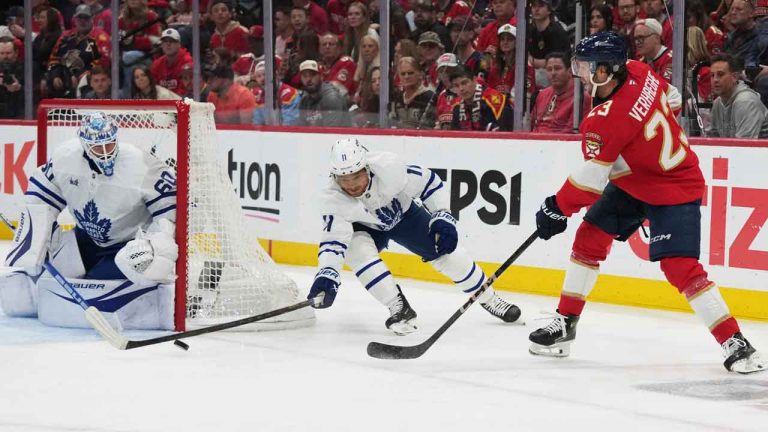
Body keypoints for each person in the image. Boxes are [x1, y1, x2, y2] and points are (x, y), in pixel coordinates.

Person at [528, 32, 765, 375]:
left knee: (679, 267)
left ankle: (736, 342)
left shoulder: (603, 120)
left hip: (675, 185)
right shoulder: (639, 70)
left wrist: (556, 207)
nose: (580, 73)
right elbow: (671, 99)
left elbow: (590, 182)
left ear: (608, 70)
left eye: (586, 67)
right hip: (638, 181)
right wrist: (640, 140)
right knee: (590, 237)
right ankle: (565, 323)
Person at [306, 138, 522, 334]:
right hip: (365, 227)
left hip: (405, 215)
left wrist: (442, 215)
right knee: (355, 249)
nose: (351, 185)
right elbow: (334, 241)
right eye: (344, 179)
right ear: (335, 177)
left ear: (367, 168)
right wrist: (327, 274)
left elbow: (430, 182)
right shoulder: (332, 199)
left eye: (356, 176)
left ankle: (489, 298)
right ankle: (398, 306)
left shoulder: (389, 168)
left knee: (447, 253)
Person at [0, 113, 178, 330]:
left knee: (114, 271)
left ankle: (158, 300)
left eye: (109, 144)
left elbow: (168, 213)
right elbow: (41, 197)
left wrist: (156, 245)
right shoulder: (65, 157)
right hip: (85, 239)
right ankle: (35, 293)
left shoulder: (142, 165)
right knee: (22, 285)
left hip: (126, 246)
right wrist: (35, 237)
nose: (105, 153)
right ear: (84, 144)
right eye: (97, 147)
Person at [708, 53, 768, 138]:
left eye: (720, 74)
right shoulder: (717, 103)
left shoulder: (746, 101)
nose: (715, 80)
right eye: (712, 75)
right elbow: (712, 140)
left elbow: (744, 147)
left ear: (735, 77)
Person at [530, 52, 591, 133]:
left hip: (560, 143)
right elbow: (531, 124)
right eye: (549, 69)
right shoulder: (542, 94)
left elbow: (571, 133)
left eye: (557, 68)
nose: (553, 73)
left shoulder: (581, 97)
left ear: (569, 71)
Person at [449, 66, 512, 131]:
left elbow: (507, 132)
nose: (461, 89)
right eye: (456, 86)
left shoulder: (494, 100)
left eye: (464, 83)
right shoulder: (457, 106)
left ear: (474, 80)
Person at [297, 60, 351, 127]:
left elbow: (330, 133)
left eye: (313, 75)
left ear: (321, 76)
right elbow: (301, 131)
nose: (308, 79)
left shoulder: (331, 98)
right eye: (304, 76)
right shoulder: (304, 101)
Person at [151, 28, 193, 97]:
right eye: (165, 41)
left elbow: (186, 91)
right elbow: (152, 88)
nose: (168, 44)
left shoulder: (187, 62)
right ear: (161, 45)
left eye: (172, 41)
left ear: (179, 44)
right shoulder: (157, 64)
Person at [634, 18, 673, 83]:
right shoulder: (641, 61)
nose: (637, 43)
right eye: (636, 39)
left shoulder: (671, 59)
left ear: (657, 38)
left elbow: (665, 88)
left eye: (641, 38)